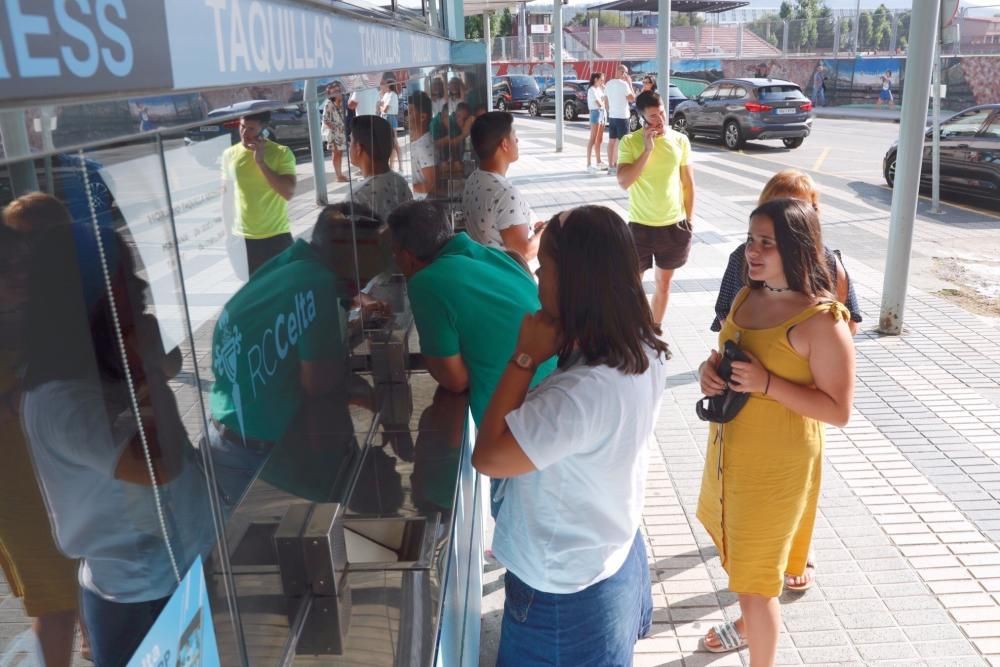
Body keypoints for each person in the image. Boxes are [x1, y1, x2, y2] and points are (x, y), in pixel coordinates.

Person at [472, 205, 669, 665]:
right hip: (609, 553)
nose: (538, 280)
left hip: (563, 591)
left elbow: (489, 456)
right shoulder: (643, 343)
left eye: (545, 269)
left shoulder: (581, 393)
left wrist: (524, 357)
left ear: (574, 281)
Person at [21, 221, 216, 667]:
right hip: (140, 590)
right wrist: (146, 364)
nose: (141, 286)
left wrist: (146, 362)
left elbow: (170, 365)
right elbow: (156, 464)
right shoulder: (63, 397)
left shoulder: (104, 360)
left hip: (180, 560)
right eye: (125, 278)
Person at [696, 198, 855, 663]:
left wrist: (767, 383)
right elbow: (723, 353)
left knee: (756, 581)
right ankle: (748, 623)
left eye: (768, 242)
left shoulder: (822, 321)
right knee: (747, 571)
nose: (753, 250)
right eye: (750, 239)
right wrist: (711, 372)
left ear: (796, 247)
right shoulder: (747, 295)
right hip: (730, 456)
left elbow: (839, 410)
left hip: (777, 468)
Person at [207, 202, 384, 509]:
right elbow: (320, 384)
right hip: (254, 456)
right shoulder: (318, 284)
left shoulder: (292, 262)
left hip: (229, 436)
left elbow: (300, 347)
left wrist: (358, 330)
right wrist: (375, 400)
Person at [0, 201, 79, 667]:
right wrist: (15, 401)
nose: (18, 272)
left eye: (23, 259)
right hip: (17, 491)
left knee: (84, 582)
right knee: (55, 602)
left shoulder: (46, 313)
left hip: (65, 475)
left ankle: (98, 644)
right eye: (5, 266)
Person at [713, 170, 862, 338]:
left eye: (794, 207)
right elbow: (725, 313)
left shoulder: (827, 260)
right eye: (775, 205)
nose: (782, 215)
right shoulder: (743, 258)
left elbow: (850, 323)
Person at [617, 90, 696, 359]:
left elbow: (688, 184)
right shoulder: (629, 142)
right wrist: (648, 150)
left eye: (662, 112)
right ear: (641, 118)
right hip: (639, 225)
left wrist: (689, 221)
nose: (660, 119)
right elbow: (624, 181)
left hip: (674, 225)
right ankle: (632, 335)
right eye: (653, 116)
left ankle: (654, 334)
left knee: (663, 284)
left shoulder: (680, 140)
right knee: (632, 286)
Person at [221, 111, 297, 280]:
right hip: (242, 238)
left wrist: (260, 162)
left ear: (264, 130)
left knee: (280, 286)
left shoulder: (281, 153)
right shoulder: (230, 154)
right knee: (252, 289)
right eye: (242, 127)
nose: (244, 133)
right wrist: (228, 235)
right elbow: (226, 197)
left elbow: (288, 192)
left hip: (276, 236)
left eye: (251, 128)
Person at [461, 112, 544, 262]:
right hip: (508, 279)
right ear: (504, 144)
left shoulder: (473, 179)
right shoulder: (503, 193)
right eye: (514, 135)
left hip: (487, 272)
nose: (517, 140)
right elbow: (523, 253)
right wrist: (546, 232)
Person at [349, 115, 413, 223]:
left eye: (350, 141)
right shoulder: (400, 181)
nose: (349, 146)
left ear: (358, 148)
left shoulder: (357, 196)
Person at [604, 64, 635, 175]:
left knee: (612, 141)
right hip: (623, 116)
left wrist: (609, 112)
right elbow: (632, 99)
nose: (626, 75)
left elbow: (606, 101)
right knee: (621, 142)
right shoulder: (624, 84)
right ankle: (617, 165)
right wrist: (630, 84)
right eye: (625, 72)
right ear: (622, 72)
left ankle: (610, 166)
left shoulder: (608, 83)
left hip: (612, 116)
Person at [407, 91, 437, 196]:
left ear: (423, 117)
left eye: (410, 112)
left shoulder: (424, 146)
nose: (407, 116)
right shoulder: (417, 142)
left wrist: (408, 188)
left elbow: (431, 184)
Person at [323, 82, 350, 183]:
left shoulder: (343, 103)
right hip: (334, 133)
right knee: (336, 153)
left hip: (341, 133)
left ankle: (340, 174)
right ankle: (338, 176)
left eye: (339, 91)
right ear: (329, 93)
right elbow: (325, 120)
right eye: (334, 91)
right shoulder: (329, 103)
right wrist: (335, 128)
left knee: (340, 153)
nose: (338, 93)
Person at [378, 79, 403, 171]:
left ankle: (398, 165)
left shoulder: (392, 94)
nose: (382, 86)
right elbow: (381, 107)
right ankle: (393, 165)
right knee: (390, 143)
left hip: (390, 117)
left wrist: (380, 107)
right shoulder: (386, 95)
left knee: (394, 142)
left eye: (384, 84)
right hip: (385, 118)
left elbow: (384, 109)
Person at [586, 71, 608, 173]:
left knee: (599, 139)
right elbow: (600, 103)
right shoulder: (592, 90)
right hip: (596, 113)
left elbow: (605, 102)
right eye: (601, 79)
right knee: (593, 138)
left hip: (602, 113)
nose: (603, 81)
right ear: (596, 79)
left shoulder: (600, 89)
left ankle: (599, 161)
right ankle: (588, 164)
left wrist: (604, 95)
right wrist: (604, 100)